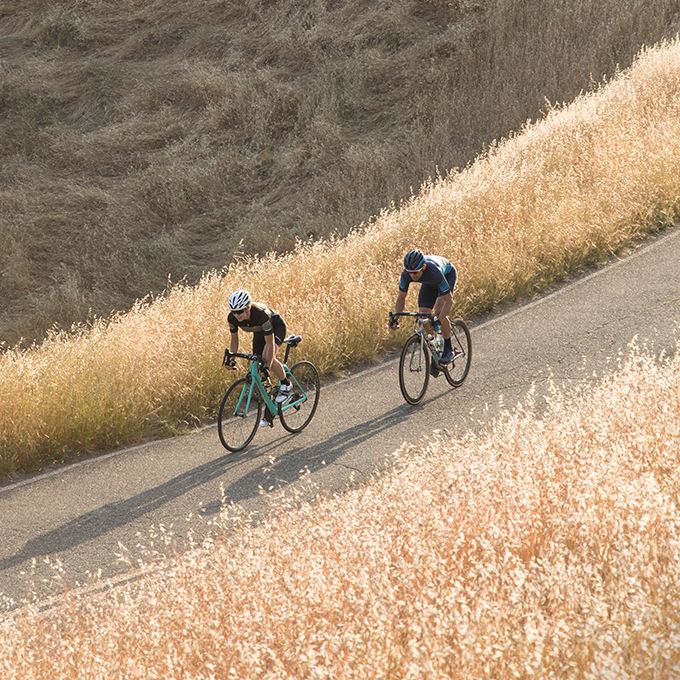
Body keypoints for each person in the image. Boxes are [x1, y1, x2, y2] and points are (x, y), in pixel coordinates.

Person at [224, 289, 291, 426]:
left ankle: (286, 384)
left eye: (240, 311)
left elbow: (270, 343)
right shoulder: (232, 318)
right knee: (259, 368)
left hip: (275, 328)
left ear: (248, 308)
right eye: (234, 312)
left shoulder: (261, 315)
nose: (237, 315)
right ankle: (271, 406)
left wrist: (267, 365)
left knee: (267, 361)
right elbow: (234, 340)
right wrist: (231, 357)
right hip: (259, 332)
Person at [389, 249, 458, 364]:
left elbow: (449, 301)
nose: (412, 275)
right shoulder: (407, 274)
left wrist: (439, 321)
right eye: (409, 272)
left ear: (424, 267)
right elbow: (401, 297)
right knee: (423, 314)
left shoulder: (434, 272)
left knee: (439, 311)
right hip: (429, 282)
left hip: (446, 275)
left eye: (415, 272)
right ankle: (436, 349)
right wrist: (396, 319)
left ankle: (448, 349)